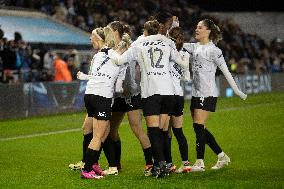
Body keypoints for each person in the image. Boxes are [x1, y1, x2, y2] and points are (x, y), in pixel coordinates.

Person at [110, 19, 189, 178]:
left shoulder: (138, 44)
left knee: (153, 130)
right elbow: (182, 63)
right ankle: (167, 164)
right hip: (168, 92)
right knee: (163, 130)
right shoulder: (167, 42)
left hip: (151, 92)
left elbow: (118, 60)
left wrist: (112, 50)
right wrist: (185, 57)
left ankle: (159, 166)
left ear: (145, 31)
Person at [183, 19, 247, 172]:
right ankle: (222, 155)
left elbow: (226, 71)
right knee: (200, 128)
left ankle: (200, 163)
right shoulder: (193, 47)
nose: (196, 29)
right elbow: (174, 43)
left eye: (200, 27)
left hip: (208, 92)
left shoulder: (214, 51)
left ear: (208, 31)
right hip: (196, 93)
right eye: (196, 26)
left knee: (198, 126)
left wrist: (237, 91)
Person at [102, 21, 153, 176]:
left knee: (137, 129)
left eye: (109, 30)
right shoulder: (111, 49)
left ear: (116, 31)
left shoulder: (129, 47)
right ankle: (116, 166)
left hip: (131, 95)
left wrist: (131, 87)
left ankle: (150, 164)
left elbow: (133, 70)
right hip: (116, 96)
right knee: (111, 132)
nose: (107, 33)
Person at [75, 27, 122, 179]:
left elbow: (97, 76)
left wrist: (84, 77)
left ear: (101, 38)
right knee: (98, 136)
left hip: (90, 95)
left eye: (92, 37)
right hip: (101, 96)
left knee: (104, 132)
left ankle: (93, 163)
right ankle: (87, 170)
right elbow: (120, 68)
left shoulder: (98, 56)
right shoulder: (112, 54)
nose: (90, 39)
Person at [167, 26, 192, 173]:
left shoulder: (168, 52)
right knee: (179, 131)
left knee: (166, 132)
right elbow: (187, 78)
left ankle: (169, 164)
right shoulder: (184, 53)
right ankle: (186, 163)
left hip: (167, 94)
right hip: (179, 95)